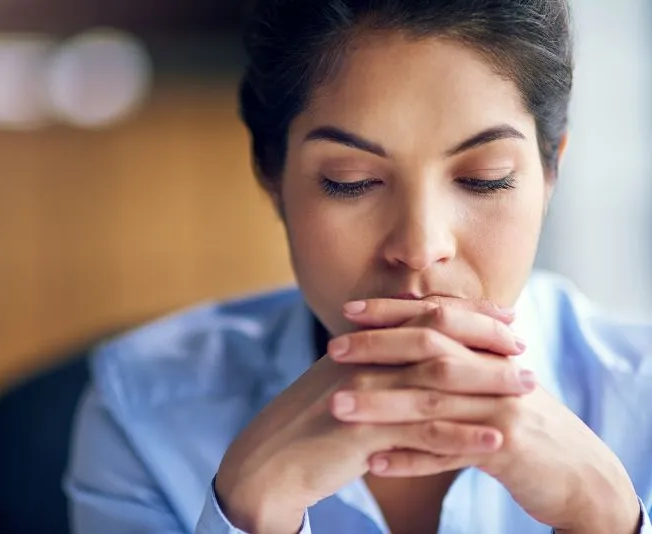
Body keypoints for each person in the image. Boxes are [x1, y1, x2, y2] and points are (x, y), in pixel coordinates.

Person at [65, 1, 652, 532]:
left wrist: (602, 517)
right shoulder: (144, 411)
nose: (421, 248)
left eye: (485, 179)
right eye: (353, 182)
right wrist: (249, 511)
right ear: (272, 177)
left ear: (551, 173)